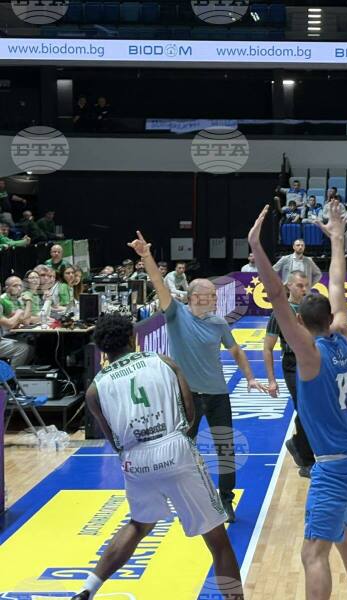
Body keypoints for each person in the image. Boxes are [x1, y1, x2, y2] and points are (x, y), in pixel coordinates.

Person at [248, 200, 347, 600]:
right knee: (340, 531)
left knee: (312, 553)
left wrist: (256, 245)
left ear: (300, 323)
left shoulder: (308, 354)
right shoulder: (343, 334)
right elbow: (337, 284)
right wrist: (338, 238)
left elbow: (275, 294)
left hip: (335, 467)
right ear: (331, 318)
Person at [71, 315, 242, 600]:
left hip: (134, 458)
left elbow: (113, 440)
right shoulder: (164, 362)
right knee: (217, 539)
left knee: (138, 524)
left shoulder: (94, 389)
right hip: (174, 448)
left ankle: (87, 589)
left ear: (101, 349)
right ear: (132, 338)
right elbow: (190, 413)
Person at [128, 231, 267, 523]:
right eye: (210, 295)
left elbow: (236, 351)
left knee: (225, 449)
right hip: (186, 397)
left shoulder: (218, 323)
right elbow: (158, 282)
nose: (214, 299)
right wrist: (146, 256)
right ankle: (178, 495)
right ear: (193, 297)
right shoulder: (176, 314)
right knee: (181, 450)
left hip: (218, 395)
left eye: (214, 295)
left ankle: (226, 500)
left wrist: (250, 377)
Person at [263, 270, 315, 478]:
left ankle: (296, 443)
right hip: (293, 364)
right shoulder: (279, 313)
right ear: (288, 286)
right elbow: (267, 348)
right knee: (304, 409)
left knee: (311, 409)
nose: (304, 289)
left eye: (306, 285)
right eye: (300, 285)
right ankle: (307, 462)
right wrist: (271, 380)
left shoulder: (311, 308)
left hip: (312, 361)